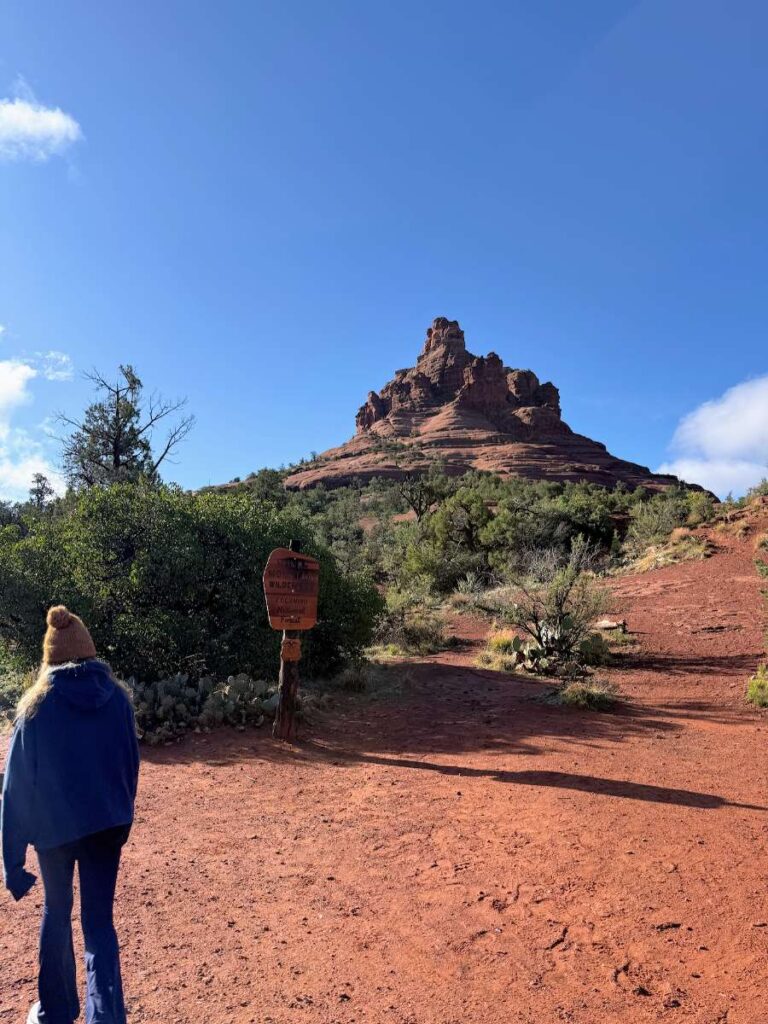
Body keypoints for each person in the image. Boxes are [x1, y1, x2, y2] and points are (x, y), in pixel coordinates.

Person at [1, 606, 140, 1024]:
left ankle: (56, 1012)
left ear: (50, 661)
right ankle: (107, 1016)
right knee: (99, 921)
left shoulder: (35, 707)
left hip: (55, 834)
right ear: (90, 653)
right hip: (105, 827)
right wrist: (121, 817)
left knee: (57, 912)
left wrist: (13, 862)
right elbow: (129, 764)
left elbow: (15, 788)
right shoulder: (117, 698)